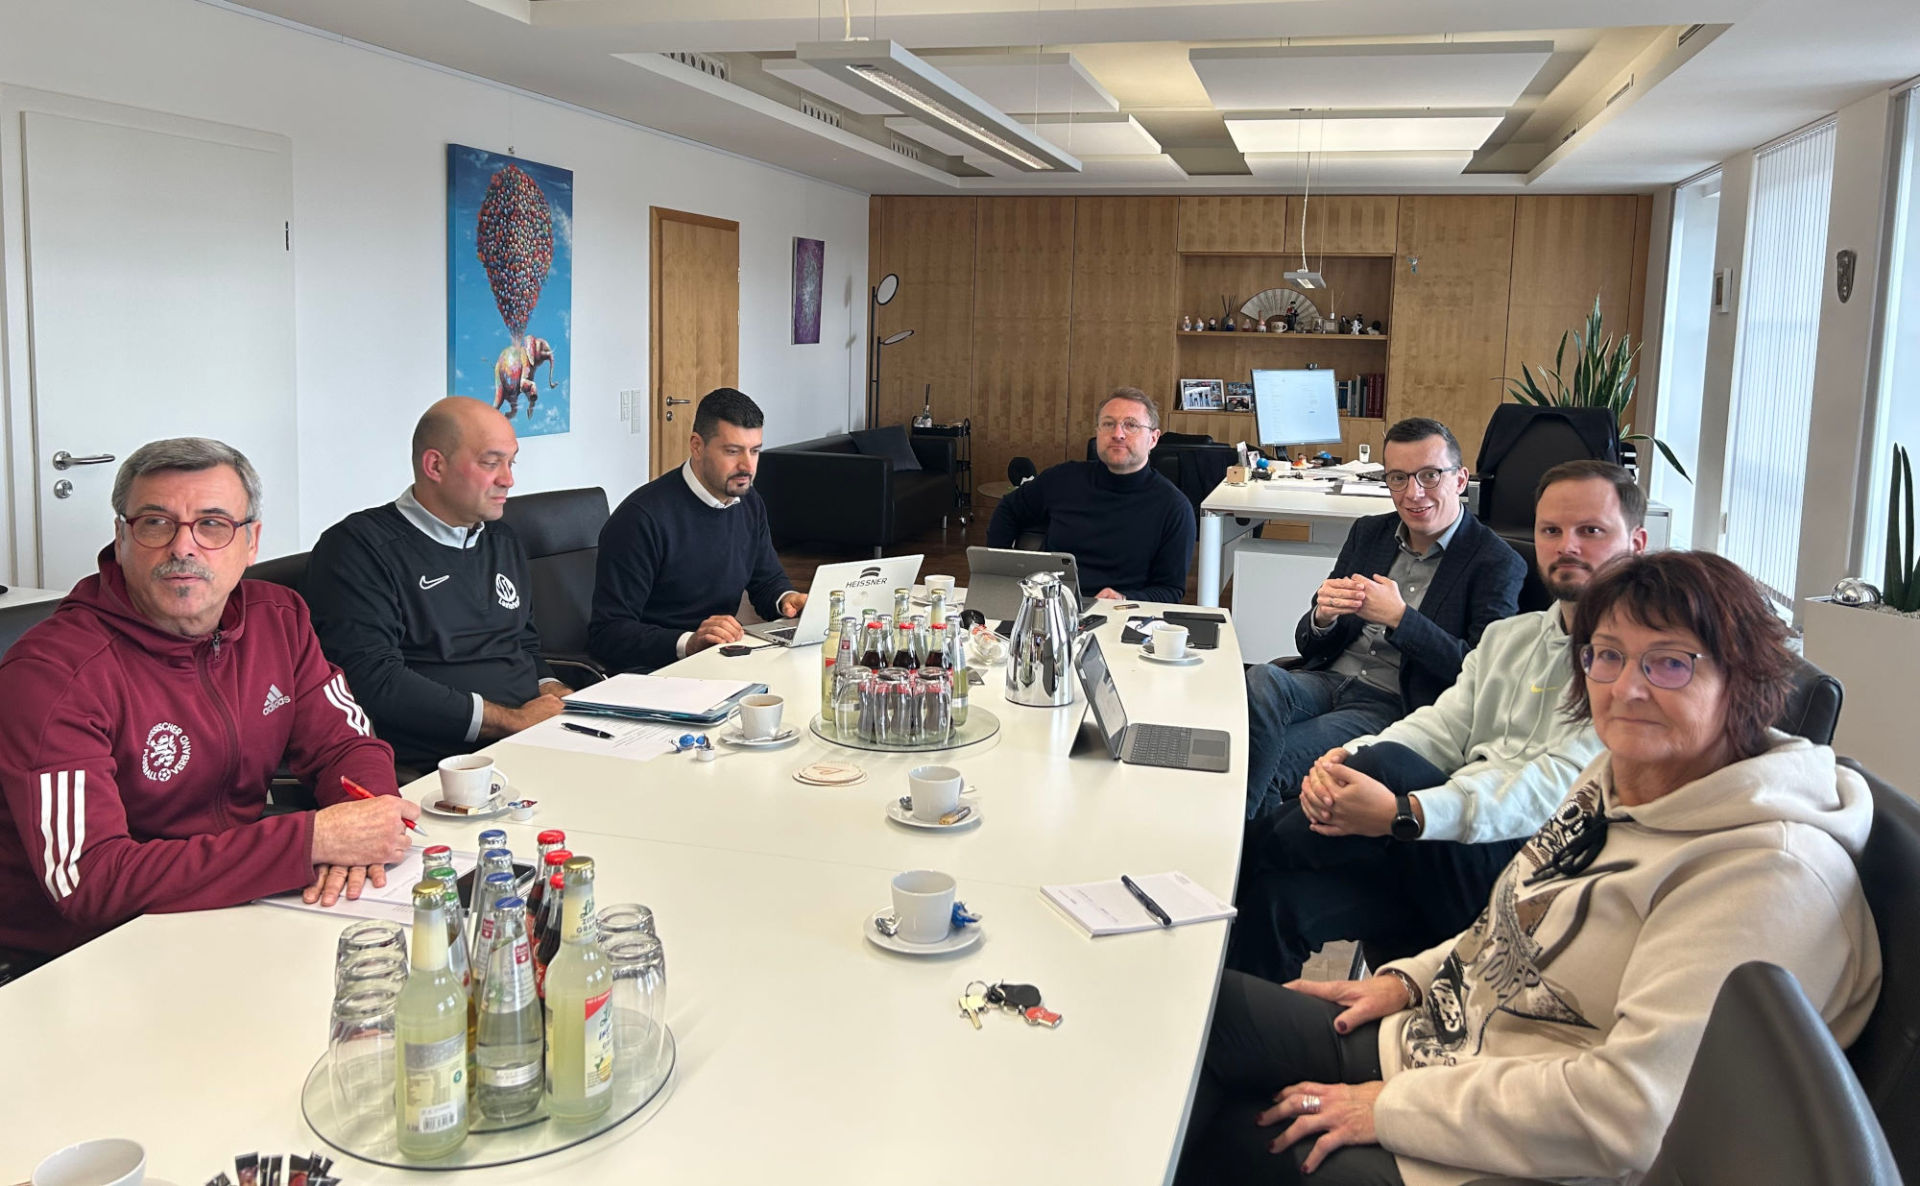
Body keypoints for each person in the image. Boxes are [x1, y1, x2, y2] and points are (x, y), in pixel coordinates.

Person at [1177, 550, 1881, 1186]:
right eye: (1607, 656)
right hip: (1454, 1046)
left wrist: (1392, 1108)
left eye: (1669, 663)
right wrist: (1409, 978)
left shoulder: (1767, 876)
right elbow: (1516, 915)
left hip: (1523, 1145)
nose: (1627, 687)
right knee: (1196, 1017)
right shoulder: (1620, 774)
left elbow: (1628, 1117)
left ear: (1746, 681)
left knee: (1217, 1138)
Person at [1228, 461, 1648, 983]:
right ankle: (1235, 1044)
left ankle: (1223, 864)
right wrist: (1347, 758)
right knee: (1277, 900)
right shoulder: (1509, 639)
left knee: (1381, 766)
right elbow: (1440, 726)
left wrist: (1406, 811)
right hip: (1434, 843)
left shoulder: (1635, 667)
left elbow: (1550, 792)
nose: (1568, 546)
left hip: (1524, 868)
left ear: (1636, 542)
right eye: (1551, 530)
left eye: (1591, 530)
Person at [0, 438, 418, 960]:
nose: (183, 547)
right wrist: (313, 840)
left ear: (251, 542)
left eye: (213, 524)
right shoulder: (54, 673)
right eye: (156, 522)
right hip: (82, 952)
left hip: (236, 904)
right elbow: (91, 883)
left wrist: (366, 820)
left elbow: (345, 744)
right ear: (120, 537)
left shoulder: (280, 618)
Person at [1244, 418, 1525, 820]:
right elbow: (1310, 643)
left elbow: (1482, 675)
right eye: (1398, 478)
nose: (1413, 493)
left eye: (1429, 476)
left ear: (1460, 480)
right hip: (1326, 680)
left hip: (1390, 701)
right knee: (1261, 679)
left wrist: (1400, 619)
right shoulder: (1369, 533)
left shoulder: (1495, 562)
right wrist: (1322, 617)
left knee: (1260, 757)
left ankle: (1242, 859)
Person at [306, 397, 570, 773]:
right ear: (435, 465)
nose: (508, 480)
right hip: (441, 763)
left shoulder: (502, 540)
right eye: (491, 463)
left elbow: (523, 643)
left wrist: (550, 687)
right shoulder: (358, 549)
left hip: (530, 737)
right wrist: (510, 720)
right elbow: (373, 682)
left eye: (511, 463)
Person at [589, 388, 805, 673]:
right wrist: (688, 643)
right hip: (655, 673)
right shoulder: (641, 519)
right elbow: (607, 634)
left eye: (754, 451)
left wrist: (786, 600)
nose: (747, 466)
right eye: (732, 451)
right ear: (697, 446)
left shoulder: (748, 502)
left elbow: (766, 582)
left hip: (718, 662)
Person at [986, 388, 1196, 603]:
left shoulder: (1174, 507)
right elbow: (1008, 509)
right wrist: (1002, 577)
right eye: (1108, 424)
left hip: (1122, 617)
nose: (1118, 434)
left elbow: (1170, 590)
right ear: (1098, 432)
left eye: (1131, 425)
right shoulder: (1063, 478)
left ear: (1153, 438)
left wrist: (1124, 599)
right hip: (1051, 608)